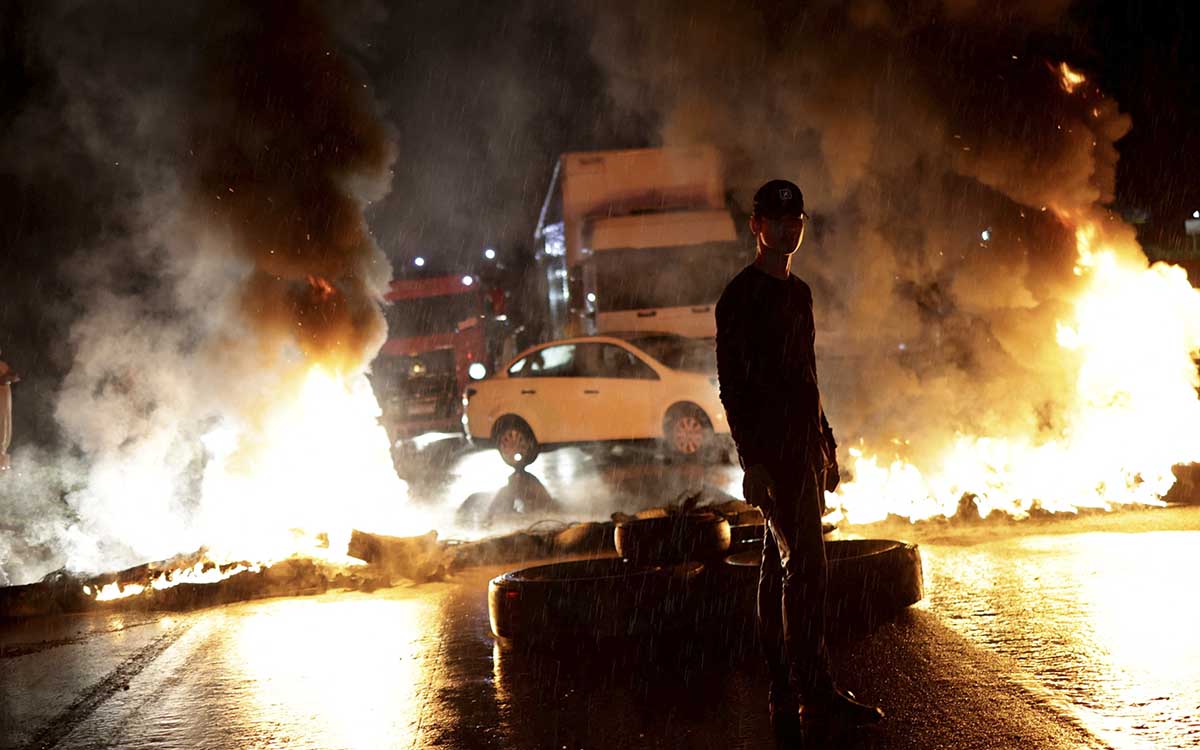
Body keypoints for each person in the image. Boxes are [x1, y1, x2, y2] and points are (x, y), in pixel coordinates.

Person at [715, 180, 883, 740]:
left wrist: (826, 442)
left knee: (776, 572)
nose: (790, 229)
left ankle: (785, 693)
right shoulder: (738, 299)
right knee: (806, 570)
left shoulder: (799, 293)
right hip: (773, 457)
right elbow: (733, 389)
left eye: (798, 221)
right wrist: (752, 461)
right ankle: (816, 695)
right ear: (756, 226)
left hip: (804, 450)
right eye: (778, 220)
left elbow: (807, 376)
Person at [0, 348, 18, 472]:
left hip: (4, 402)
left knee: (4, 425)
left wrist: (9, 377)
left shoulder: (3, 365)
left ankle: (2, 463)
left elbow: (14, 377)